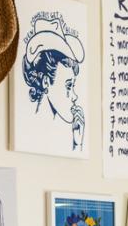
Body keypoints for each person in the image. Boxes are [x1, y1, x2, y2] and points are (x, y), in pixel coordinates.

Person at [21, 13, 86, 151]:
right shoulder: (32, 131)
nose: (74, 96)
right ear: (46, 82)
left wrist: (77, 144)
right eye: (69, 86)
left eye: (73, 86)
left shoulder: (58, 136)